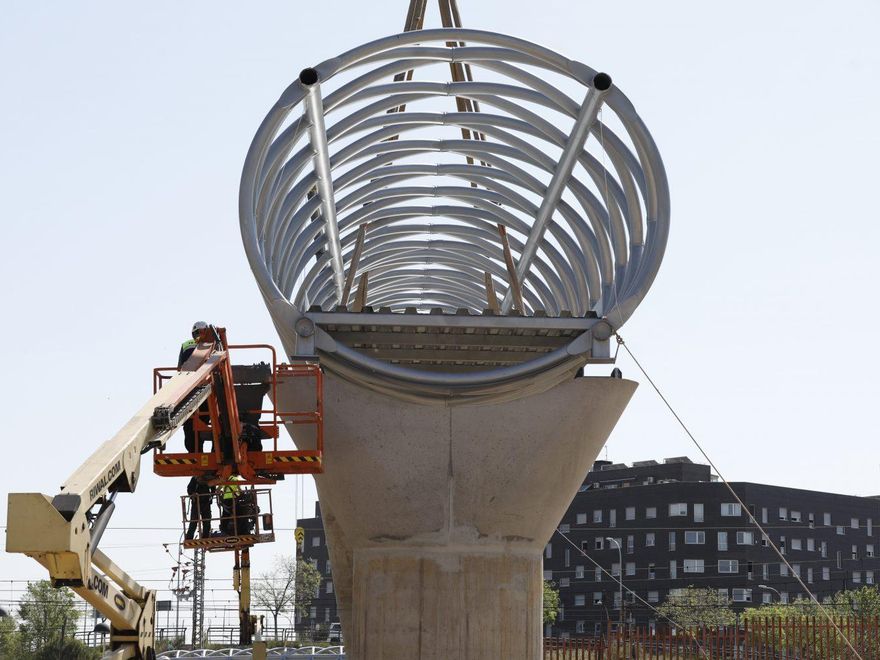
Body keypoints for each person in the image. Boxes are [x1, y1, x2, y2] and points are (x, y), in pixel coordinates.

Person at [179, 321, 209, 453]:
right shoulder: (214, 345)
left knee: (190, 424)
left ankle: (196, 454)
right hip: (208, 391)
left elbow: (180, 368)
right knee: (216, 423)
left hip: (188, 391)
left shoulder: (186, 345)